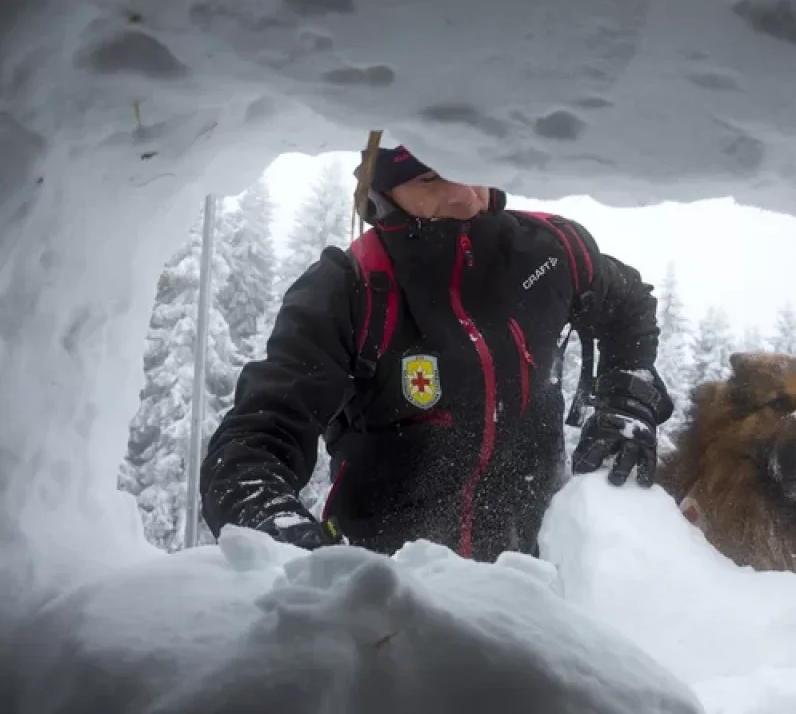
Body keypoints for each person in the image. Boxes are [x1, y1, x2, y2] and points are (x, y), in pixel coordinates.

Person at [199, 143, 674, 562]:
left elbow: (628, 304)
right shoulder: (350, 289)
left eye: (473, 163)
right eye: (430, 177)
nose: (465, 195)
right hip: (391, 602)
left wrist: (628, 399)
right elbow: (255, 440)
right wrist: (283, 538)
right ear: (383, 192)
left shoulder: (552, 253)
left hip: (536, 589)